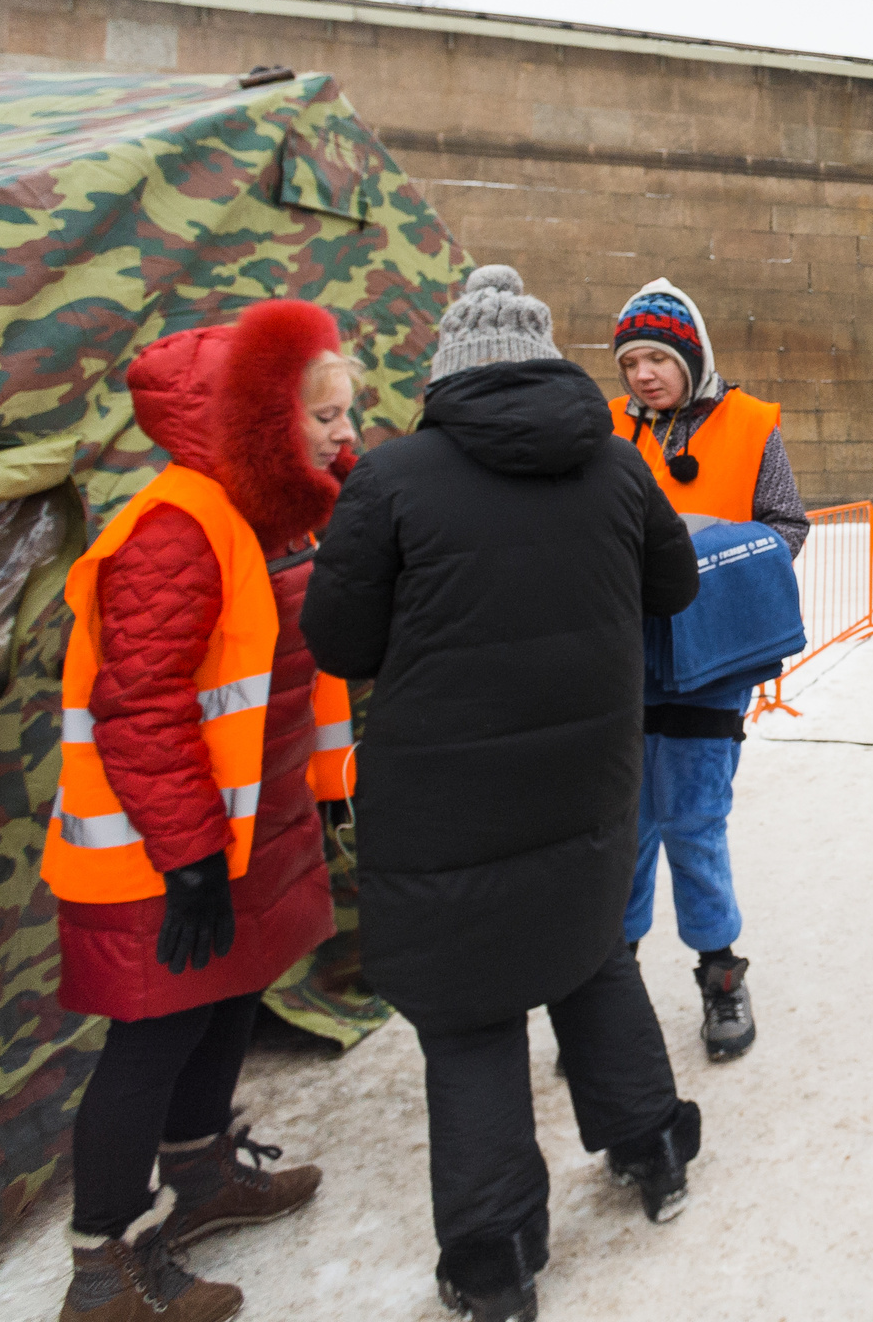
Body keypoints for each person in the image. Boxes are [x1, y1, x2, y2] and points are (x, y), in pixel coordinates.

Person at [303, 266, 703, 1322]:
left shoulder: (390, 480)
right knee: (589, 957)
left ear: (447, 372)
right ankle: (654, 1147)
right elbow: (676, 586)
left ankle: (495, 1256)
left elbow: (338, 641)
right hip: (586, 773)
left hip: (444, 800)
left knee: (470, 1018)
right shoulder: (617, 467)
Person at [46, 302, 358, 1322]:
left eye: (344, 414)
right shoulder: (176, 526)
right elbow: (139, 707)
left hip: (238, 837)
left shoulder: (261, 514)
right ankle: (105, 1268)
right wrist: (187, 860)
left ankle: (203, 1179)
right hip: (160, 852)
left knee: (229, 1003)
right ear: (263, 423)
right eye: (322, 418)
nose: (341, 434)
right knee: (149, 1042)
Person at [608, 279, 811, 1064]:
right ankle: (614, 983)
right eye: (631, 362)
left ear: (691, 356)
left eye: (658, 357)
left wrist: (713, 559)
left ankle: (720, 974)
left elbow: (786, 525)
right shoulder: (612, 433)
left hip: (710, 657)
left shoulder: (751, 425)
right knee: (625, 825)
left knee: (693, 822)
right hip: (628, 659)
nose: (644, 375)